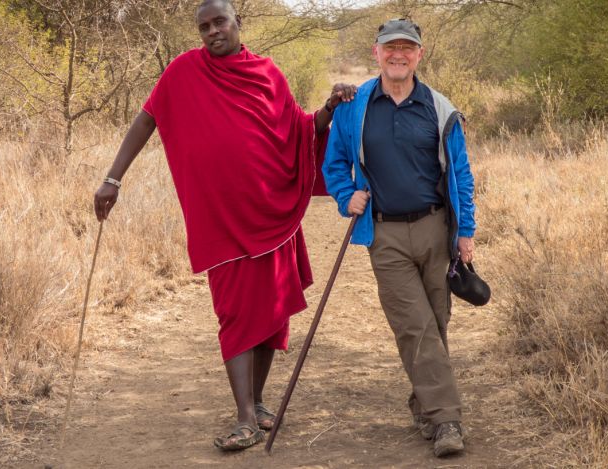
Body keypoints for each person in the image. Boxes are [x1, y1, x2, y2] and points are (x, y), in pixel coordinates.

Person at [93, 0, 355, 452]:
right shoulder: (182, 73)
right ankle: (244, 418)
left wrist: (330, 106)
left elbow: (299, 128)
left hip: (271, 211)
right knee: (234, 313)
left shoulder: (268, 73)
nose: (212, 31)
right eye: (204, 26)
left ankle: (256, 403)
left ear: (239, 23)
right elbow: (146, 119)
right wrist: (112, 178)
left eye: (219, 22)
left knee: (271, 311)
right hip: (220, 218)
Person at [322, 18, 476, 458]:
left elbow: (461, 174)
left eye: (407, 48)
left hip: (435, 228)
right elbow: (334, 164)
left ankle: (424, 402)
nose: (398, 55)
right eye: (391, 47)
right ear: (377, 52)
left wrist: (465, 232)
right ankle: (447, 419)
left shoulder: (440, 108)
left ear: (419, 55)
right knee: (414, 325)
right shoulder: (354, 107)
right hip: (384, 232)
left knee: (436, 322)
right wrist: (343, 195)